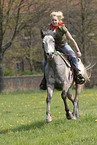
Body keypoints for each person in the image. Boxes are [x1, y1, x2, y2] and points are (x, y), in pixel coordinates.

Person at [40, 11, 85, 90]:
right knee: (44, 62)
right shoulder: (49, 28)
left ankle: (78, 74)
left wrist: (78, 50)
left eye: (55, 20)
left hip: (63, 46)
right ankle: (45, 79)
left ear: (58, 21)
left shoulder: (62, 28)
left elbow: (71, 39)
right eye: (52, 20)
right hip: (54, 47)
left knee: (73, 57)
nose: (54, 22)